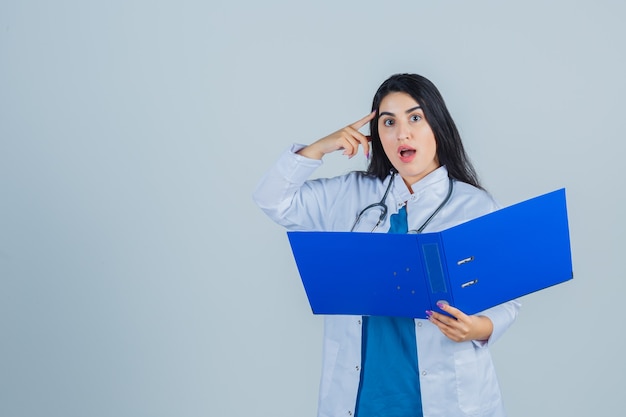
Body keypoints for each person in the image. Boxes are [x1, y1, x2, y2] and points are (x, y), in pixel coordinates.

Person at [252, 73, 520, 417]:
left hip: (444, 398)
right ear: (377, 135)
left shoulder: (473, 206)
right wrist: (319, 148)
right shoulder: (351, 194)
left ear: (437, 125)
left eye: (415, 118)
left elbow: (507, 299)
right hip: (363, 398)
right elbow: (272, 199)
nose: (401, 133)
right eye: (388, 122)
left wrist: (477, 328)